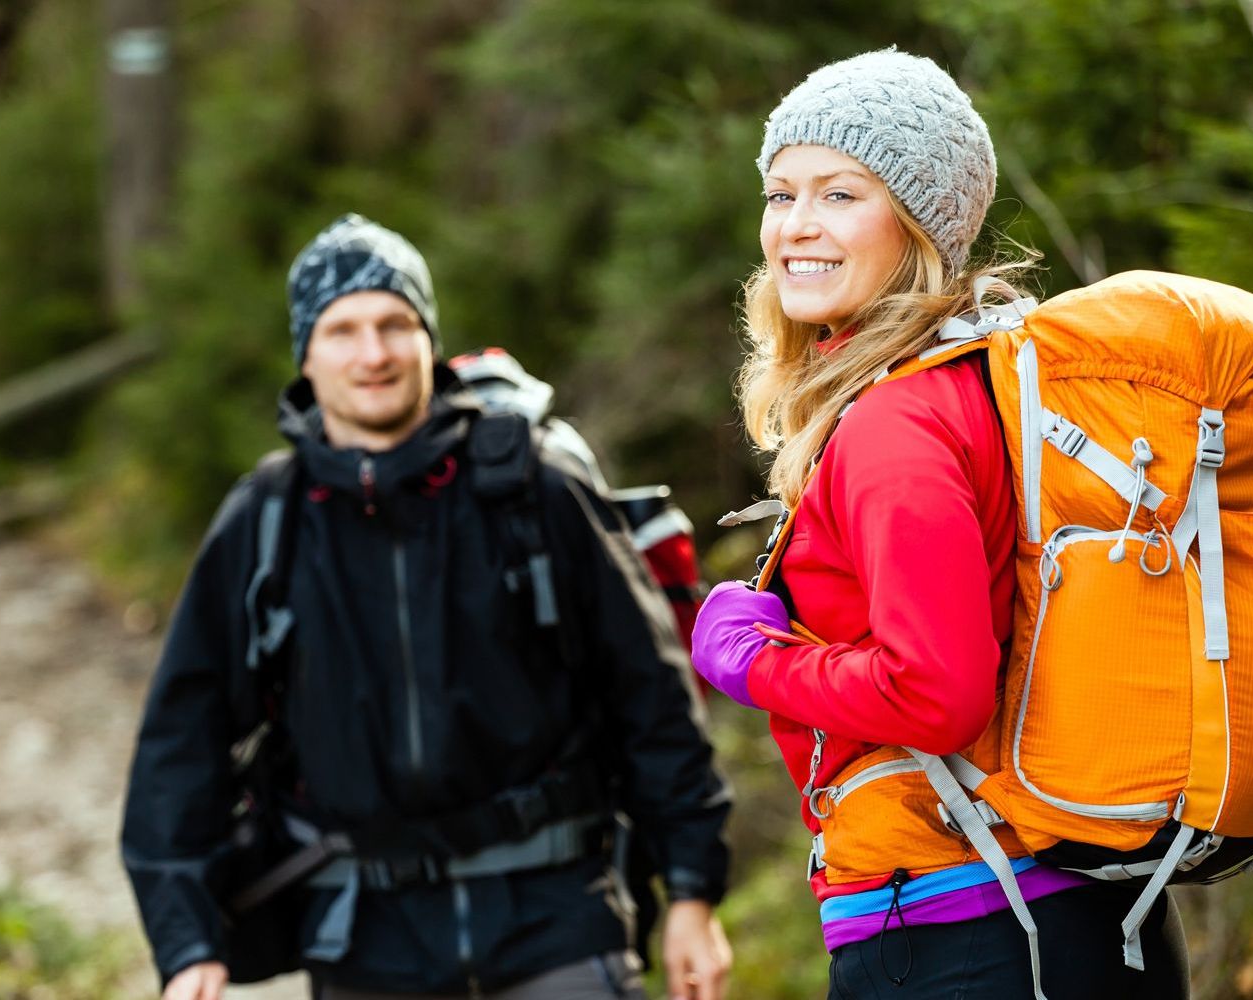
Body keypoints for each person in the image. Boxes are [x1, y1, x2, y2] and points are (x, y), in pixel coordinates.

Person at [122, 214, 734, 1000]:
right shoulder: (268, 519)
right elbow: (182, 738)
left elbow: (650, 695)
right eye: (342, 331)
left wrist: (690, 890)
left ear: (428, 339)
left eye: (393, 323)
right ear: (305, 355)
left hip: (555, 915)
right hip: (365, 938)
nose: (372, 353)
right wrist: (187, 941)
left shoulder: (532, 489)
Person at [688, 50, 1190, 998]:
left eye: (840, 195)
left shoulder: (894, 424)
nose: (796, 227)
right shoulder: (981, 381)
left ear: (920, 221)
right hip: (1069, 919)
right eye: (781, 193)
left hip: (969, 931)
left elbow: (938, 693)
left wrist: (759, 661)